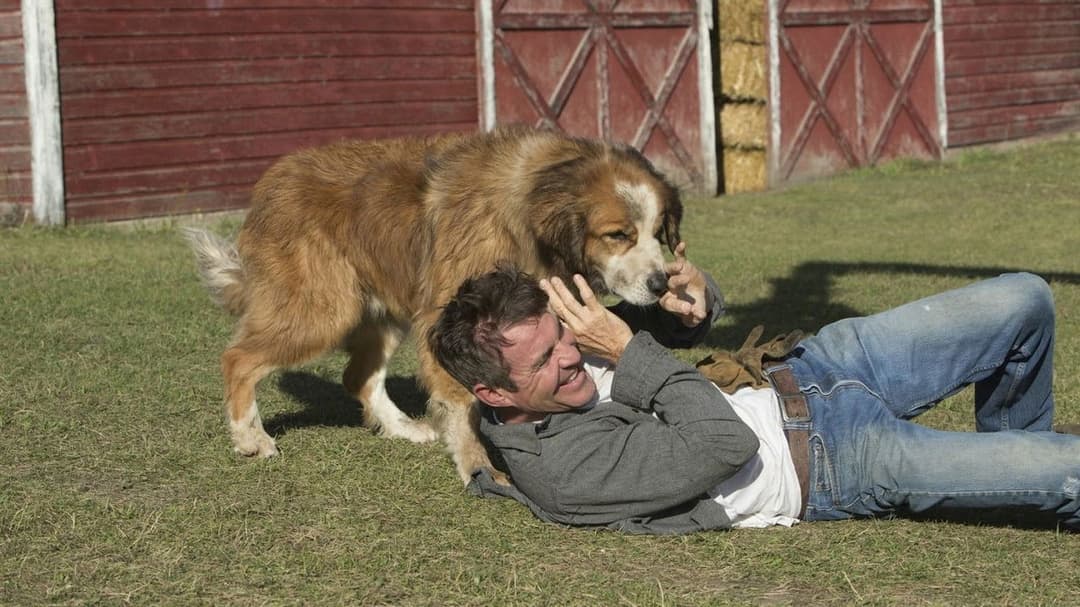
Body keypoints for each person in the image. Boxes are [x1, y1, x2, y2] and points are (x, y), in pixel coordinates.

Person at [428, 246, 1080, 534]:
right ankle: (1027, 475)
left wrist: (692, 301)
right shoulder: (568, 471)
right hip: (831, 462)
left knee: (1026, 298)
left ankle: (1013, 466)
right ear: (493, 393)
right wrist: (625, 348)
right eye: (546, 358)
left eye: (564, 333)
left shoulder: (554, 371)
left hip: (813, 365)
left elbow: (669, 340)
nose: (572, 354)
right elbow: (723, 439)